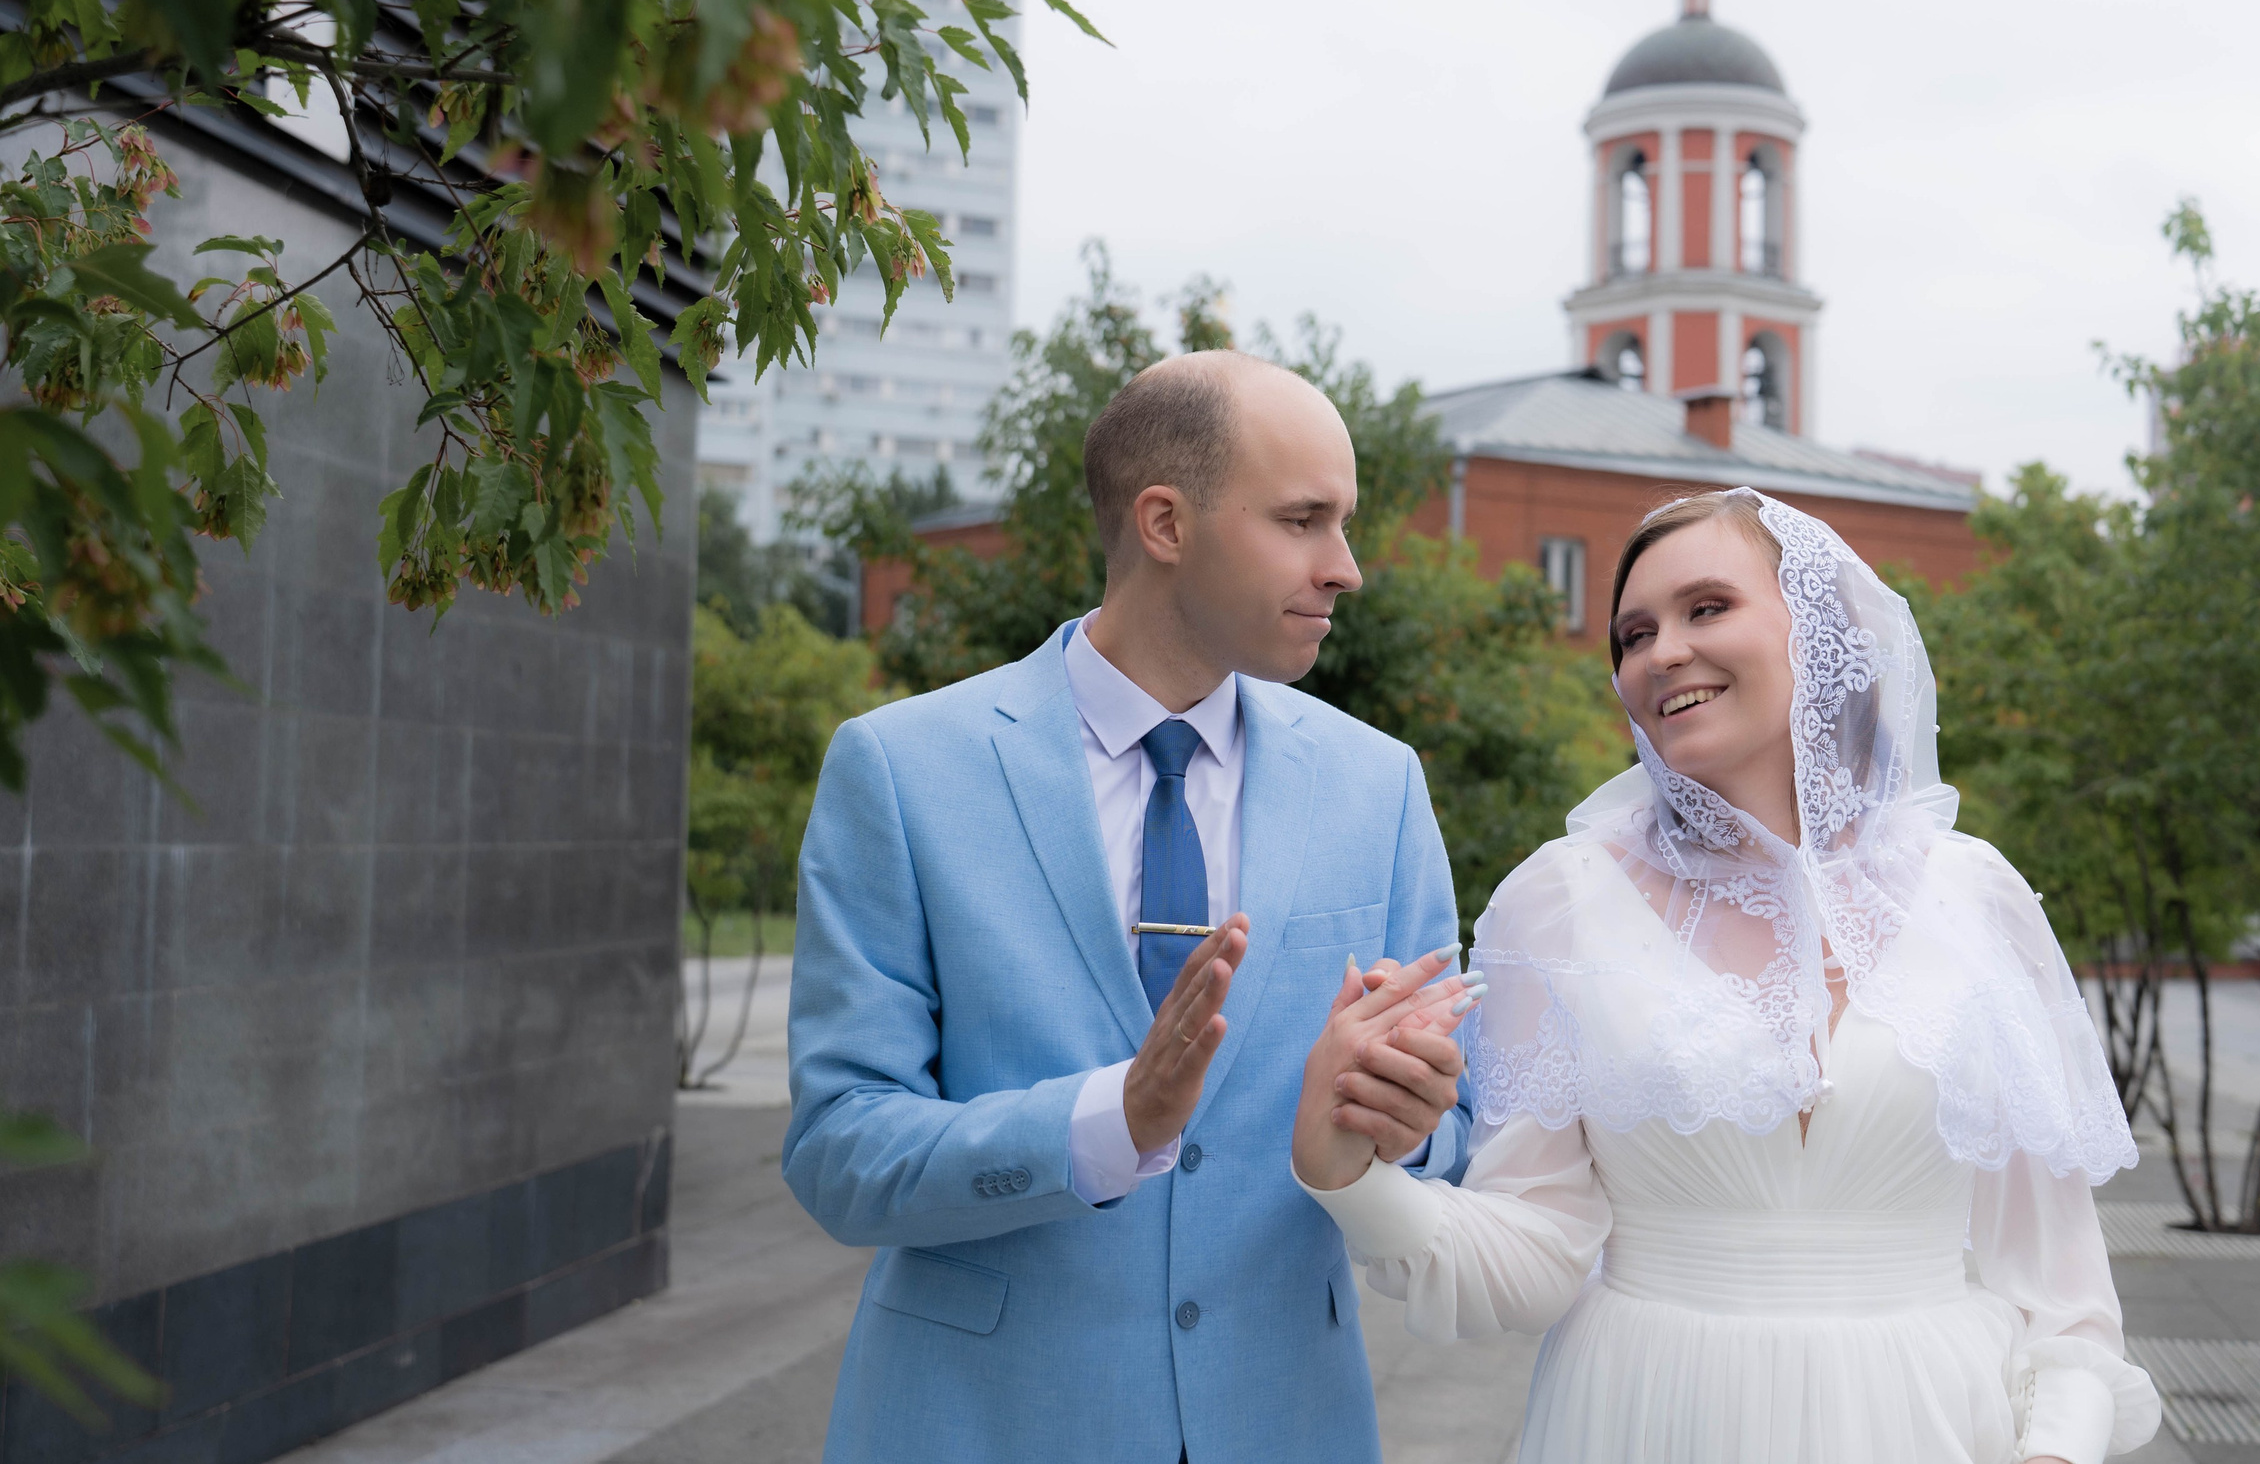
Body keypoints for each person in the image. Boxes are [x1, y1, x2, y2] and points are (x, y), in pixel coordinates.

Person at [1293, 488, 2163, 1464]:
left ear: (1823, 631)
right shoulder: (1558, 901)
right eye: (1631, 633)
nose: (1659, 651)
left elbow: (2064, 1291)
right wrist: (1348, 1177)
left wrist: (2053, 1449)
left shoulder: (1977, 899)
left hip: (1927, 1418)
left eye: (1705, 607)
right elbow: (1534, 1251)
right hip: (1643, 1416)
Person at [784, 349, 1476, 1464]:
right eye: (1303, 519)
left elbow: (1454, 1135)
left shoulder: (1378, 782)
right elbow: (840, 1151)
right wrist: (1109, 1123)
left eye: (1342, 524)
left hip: (1285, 1420)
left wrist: (1405, 1120)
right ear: (1163, 521)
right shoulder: (903, 769)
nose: (1343, 567)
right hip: (979, 1421)